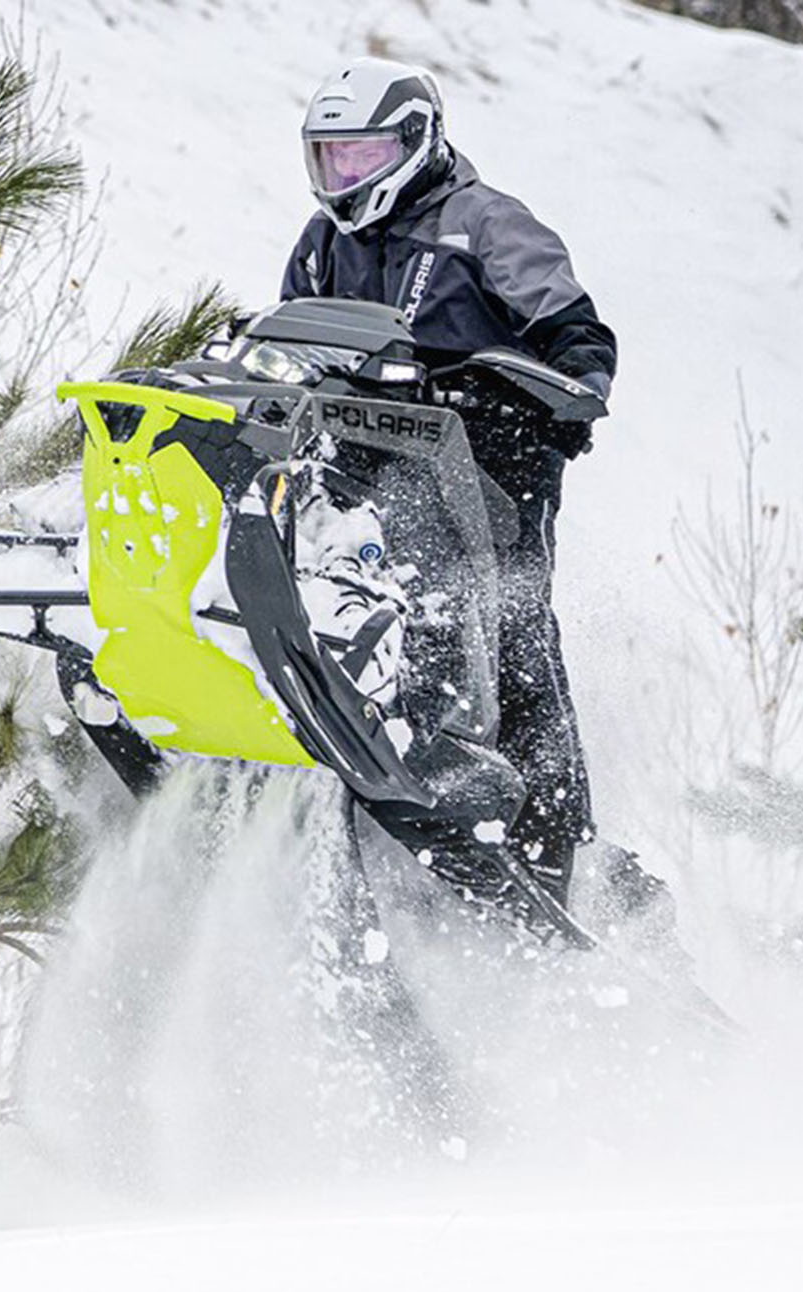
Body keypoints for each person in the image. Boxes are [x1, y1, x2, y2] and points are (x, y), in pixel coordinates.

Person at [282, 57, 667, 932]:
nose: (346, 178)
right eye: (330, 159)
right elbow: (297, 337)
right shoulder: (322, 244)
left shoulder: (485, 224)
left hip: (486, 470)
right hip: (355, 468)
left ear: (416, 142)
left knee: (514, 628)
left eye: (361, 156)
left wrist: (556, 399)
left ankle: (551, 841)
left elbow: (576, 333)